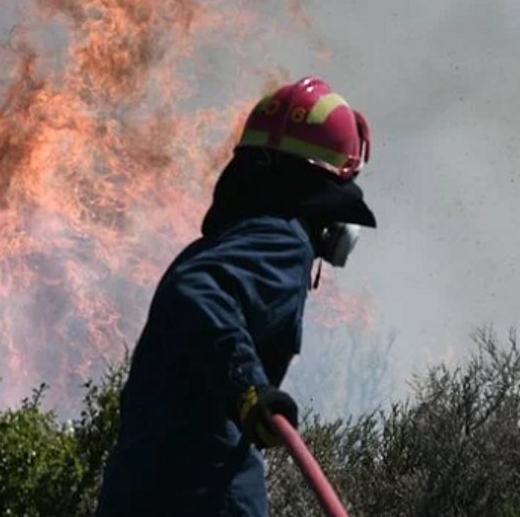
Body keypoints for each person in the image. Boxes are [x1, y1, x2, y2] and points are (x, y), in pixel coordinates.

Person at [95, 76, 376, 517]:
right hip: (205, 493)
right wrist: (249, 387)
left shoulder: (224, 243)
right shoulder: (281, 242)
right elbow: (199, 292)